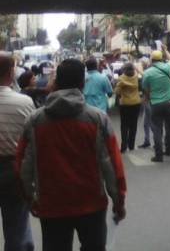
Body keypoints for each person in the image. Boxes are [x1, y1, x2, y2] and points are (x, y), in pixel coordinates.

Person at [16, 58, 126, 251]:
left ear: (56, 82)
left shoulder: (35, 120)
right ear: (82, 83)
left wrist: (29, 196)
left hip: (51, 204)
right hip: (91, 203)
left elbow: (23, 163)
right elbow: (111, 164)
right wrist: (118, 200)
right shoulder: (98, 119)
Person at [0, 54, 35, 251]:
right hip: (14, 169)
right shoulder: (24, 102)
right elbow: (32, 142)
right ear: (11, 73)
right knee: (17, 228)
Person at [143, 46, 170, 162]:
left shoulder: (147, 73)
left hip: (155, 104)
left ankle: (159, 155)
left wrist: (149, 97)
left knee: (157, 130)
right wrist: (165, 50)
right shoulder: (167, 67)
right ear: (161, 59)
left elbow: (146, 90)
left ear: (151, 60)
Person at [114, 62, 141, 153]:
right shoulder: (136, 77)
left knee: (124, 125)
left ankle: (124, 146)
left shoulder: (121, 79)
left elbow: (117, 92)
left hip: (125, 104)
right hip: (136, 103)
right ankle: (131, 145)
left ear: (124, 70)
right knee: (134, 125)